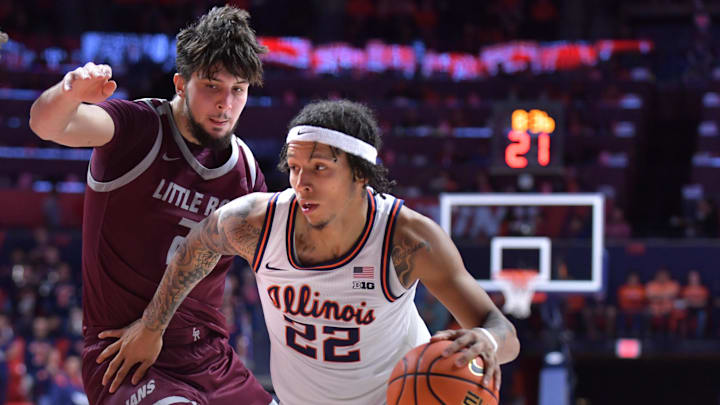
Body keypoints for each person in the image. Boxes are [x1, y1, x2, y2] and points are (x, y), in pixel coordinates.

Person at [98, 100, 520, 405]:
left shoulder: (406, 238)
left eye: (320, 168)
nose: (302, 183)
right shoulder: (257, 222)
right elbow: (197, 248)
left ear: (360, 175)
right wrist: (153, 326)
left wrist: (485, 339)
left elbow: (503, 331)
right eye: (295, 168)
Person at [28, 6, 274, 405]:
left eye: (238, 89)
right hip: (126, 357)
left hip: (209, 358)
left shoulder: (244, 170)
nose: (225, 104)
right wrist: (69, 93)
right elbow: (46, 124)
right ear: (181, 83)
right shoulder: (138, 128)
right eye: (212, 86)